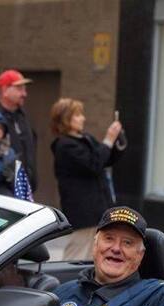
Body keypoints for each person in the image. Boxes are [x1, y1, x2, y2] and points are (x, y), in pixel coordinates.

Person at [51, 98, 124, 260]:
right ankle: (65, 283)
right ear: (65, 119)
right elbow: (94, 164)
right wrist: (108, 139)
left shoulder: (85, 139)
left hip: (97, 208)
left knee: (94, 256)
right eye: (77, 115)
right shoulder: (65, 146)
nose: (83, 118)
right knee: (76, 256)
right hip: (83, 211)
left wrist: (117, 141)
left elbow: (105, 158)